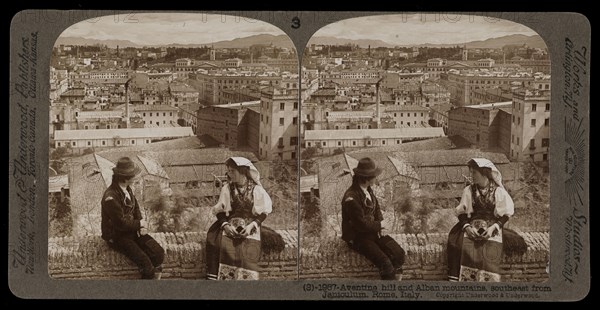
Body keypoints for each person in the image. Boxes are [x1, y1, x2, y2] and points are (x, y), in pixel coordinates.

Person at [447, 158, 515, 282]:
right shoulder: (468, 191)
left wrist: (494, 228)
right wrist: (467, 227)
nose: (471, 176)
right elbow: (462, 212)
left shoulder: (498, 192)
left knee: (490, 248)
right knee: (457, 245)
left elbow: (506, 214)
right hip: (470, 224)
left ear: (484, 173)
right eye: (471, 172)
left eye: (474, 173)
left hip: (491, 226)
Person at [206, 157, 273, 280]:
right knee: (219, 245)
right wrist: (225, 225)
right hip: (229, 224)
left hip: (250, 226)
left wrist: (252, 226)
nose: (229, 174)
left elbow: (264, 212)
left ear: (242, 171)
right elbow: (220, 211)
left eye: (232, 171)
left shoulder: (256, 190)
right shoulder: (227, 188)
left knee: (248, 251)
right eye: (229, 171)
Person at [341, 157, 405, 280]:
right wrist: (380, 225)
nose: (376, 178)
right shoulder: (351, 197)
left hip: (373, 232)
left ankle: (396, 285)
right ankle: (388, 293)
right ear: (366, 178)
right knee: (386, 264)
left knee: (398, 254)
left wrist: (381, 225)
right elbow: (360, 225)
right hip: (358, 237)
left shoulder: (367, 190)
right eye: (374, 176)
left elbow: (376, 209)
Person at [101, 157, 165, 279]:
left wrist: (141, 225)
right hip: (117, 236)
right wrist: (140, 224)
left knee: (158, 253)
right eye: (134, 175)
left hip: (132, 231)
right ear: (125, 178)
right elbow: (120, 224)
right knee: (146, 265)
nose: (137, 177)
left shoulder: (127, 189)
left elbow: (136, 208)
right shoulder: (110, 197)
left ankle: (154, 282)